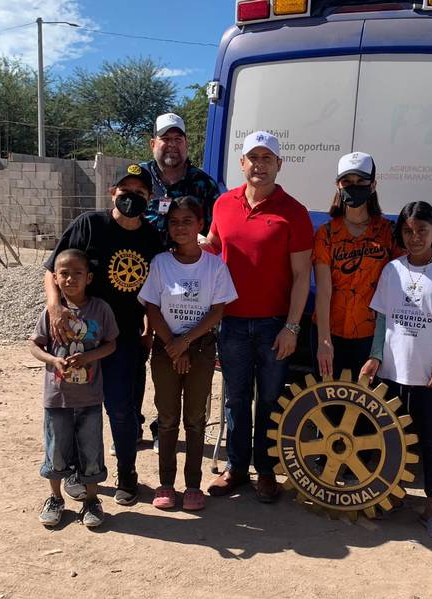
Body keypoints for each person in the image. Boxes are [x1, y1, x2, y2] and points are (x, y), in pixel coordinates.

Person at [203, 130, 313, 503]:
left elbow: (302, 277)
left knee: (269, 400)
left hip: (273, 326)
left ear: (279, 165)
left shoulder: (294, 213)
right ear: (242, 163)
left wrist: (292, 327)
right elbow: (214, 249)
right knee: (235, 399)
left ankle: (266, 471)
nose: (259, 165)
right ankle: (236, 468)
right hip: (231, 322)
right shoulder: (223, 204)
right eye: (253, 158)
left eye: (267, 159)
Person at [43, 164, 163, 507]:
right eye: (126, 191)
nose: (132, 198)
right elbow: (53, 270)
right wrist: (54, 308)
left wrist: (149, 331)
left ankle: (127, 474)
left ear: (150, 199)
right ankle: (77, 472)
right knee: (78, 409)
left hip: (124, 339)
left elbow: (155, 290)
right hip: (81, 337)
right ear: (113, 192)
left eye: (140, 193)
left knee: (122, 410)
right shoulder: (89, 225)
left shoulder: (151, 238)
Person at [359, 201, 432, 540]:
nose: (414, 237)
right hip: (393, 371)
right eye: (408, 231)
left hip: (429, 375)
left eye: (421, 230)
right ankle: (392, 496)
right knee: (390, 437)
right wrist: (375, 356)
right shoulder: (392, 270)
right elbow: (382, 318)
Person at [138, 197, 238, 511]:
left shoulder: (214, 266)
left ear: (200, 225)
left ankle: (193, 486)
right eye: (174, 221)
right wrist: (172, 344)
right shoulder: (160, 263)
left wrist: (186, 342)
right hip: (166, 347)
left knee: (195, 419)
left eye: (187, 221)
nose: (180, 227)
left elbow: (217, 310)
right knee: (167, 419)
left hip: (201, 349)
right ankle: (166, 484)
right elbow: (152, 308)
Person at [137, 113, 222, 450]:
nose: (171, 145)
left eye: (178, 138)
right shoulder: (139, 178)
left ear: (186, 143)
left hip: (182, 287)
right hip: (138, 282)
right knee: (136, 355)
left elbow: (217, 231)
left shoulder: (203, 184)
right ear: (153, 142)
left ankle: (163, 425)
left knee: (172, 350)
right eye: (165, 138)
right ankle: (132, 423)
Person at [30, 249, 119, 528]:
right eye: (64, 274)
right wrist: (53, 360)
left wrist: (89, 357)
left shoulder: (100, 309)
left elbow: (111, 343)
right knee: (56, 449)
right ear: (55, 278)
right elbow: (34, 344)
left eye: (77, 273)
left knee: (91, 450)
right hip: (57, 397)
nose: (70, 279)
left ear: (89, 277)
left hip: (90, 397)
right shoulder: (50, 312)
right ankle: (55, 499)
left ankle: (92, 501)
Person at [313, 151, 395, 378]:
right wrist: (324, 341)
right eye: (347, 181)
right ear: (338, 185)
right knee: (329, 406)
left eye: (361, 181)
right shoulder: (326, 234)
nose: (354, 186)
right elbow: (323, 290)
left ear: (373, 184)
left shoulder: (389, 232)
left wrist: (379, 350)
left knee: (367, 409)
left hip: (372, 336)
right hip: (332, 334)